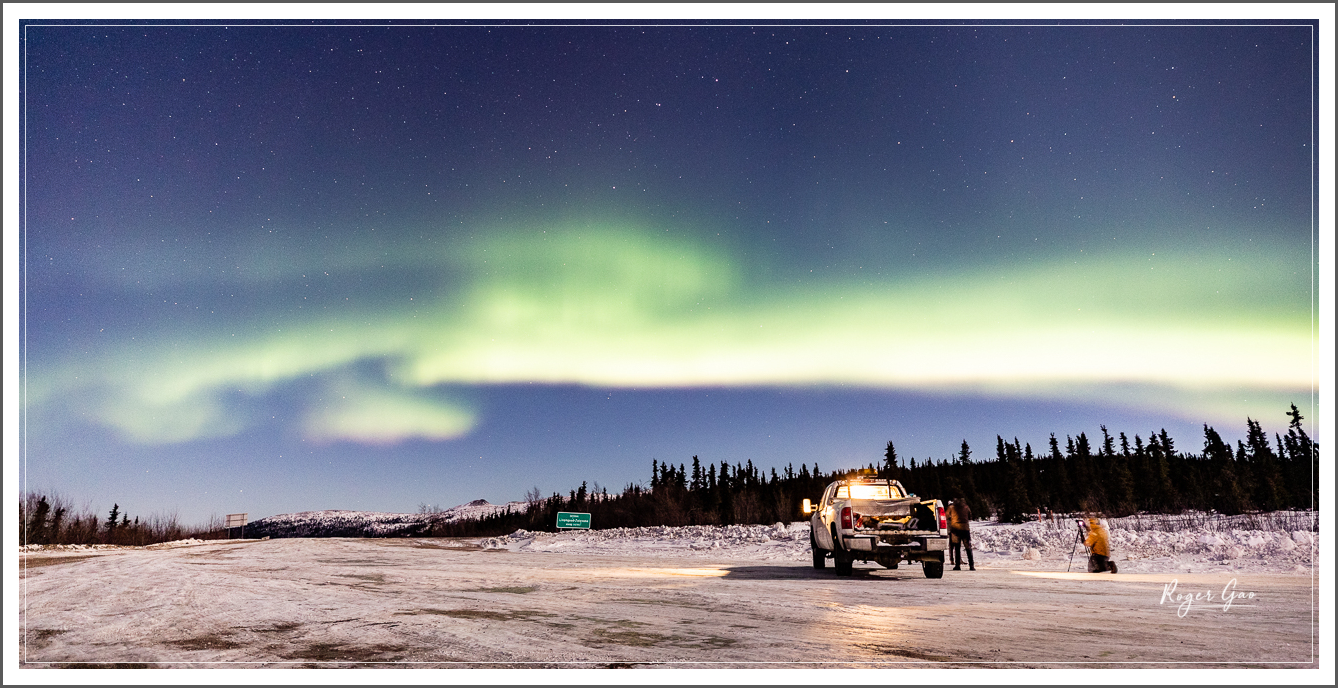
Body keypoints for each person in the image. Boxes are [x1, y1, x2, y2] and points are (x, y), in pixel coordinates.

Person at [945, 497, 974, 571]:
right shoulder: (966, 507)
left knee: (957, 548)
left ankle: (957, 565)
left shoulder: (951, 507)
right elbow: (970, 516)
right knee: (968, 547)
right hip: (965, 528)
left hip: (955, 529)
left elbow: (946, 516)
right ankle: (971, 565)